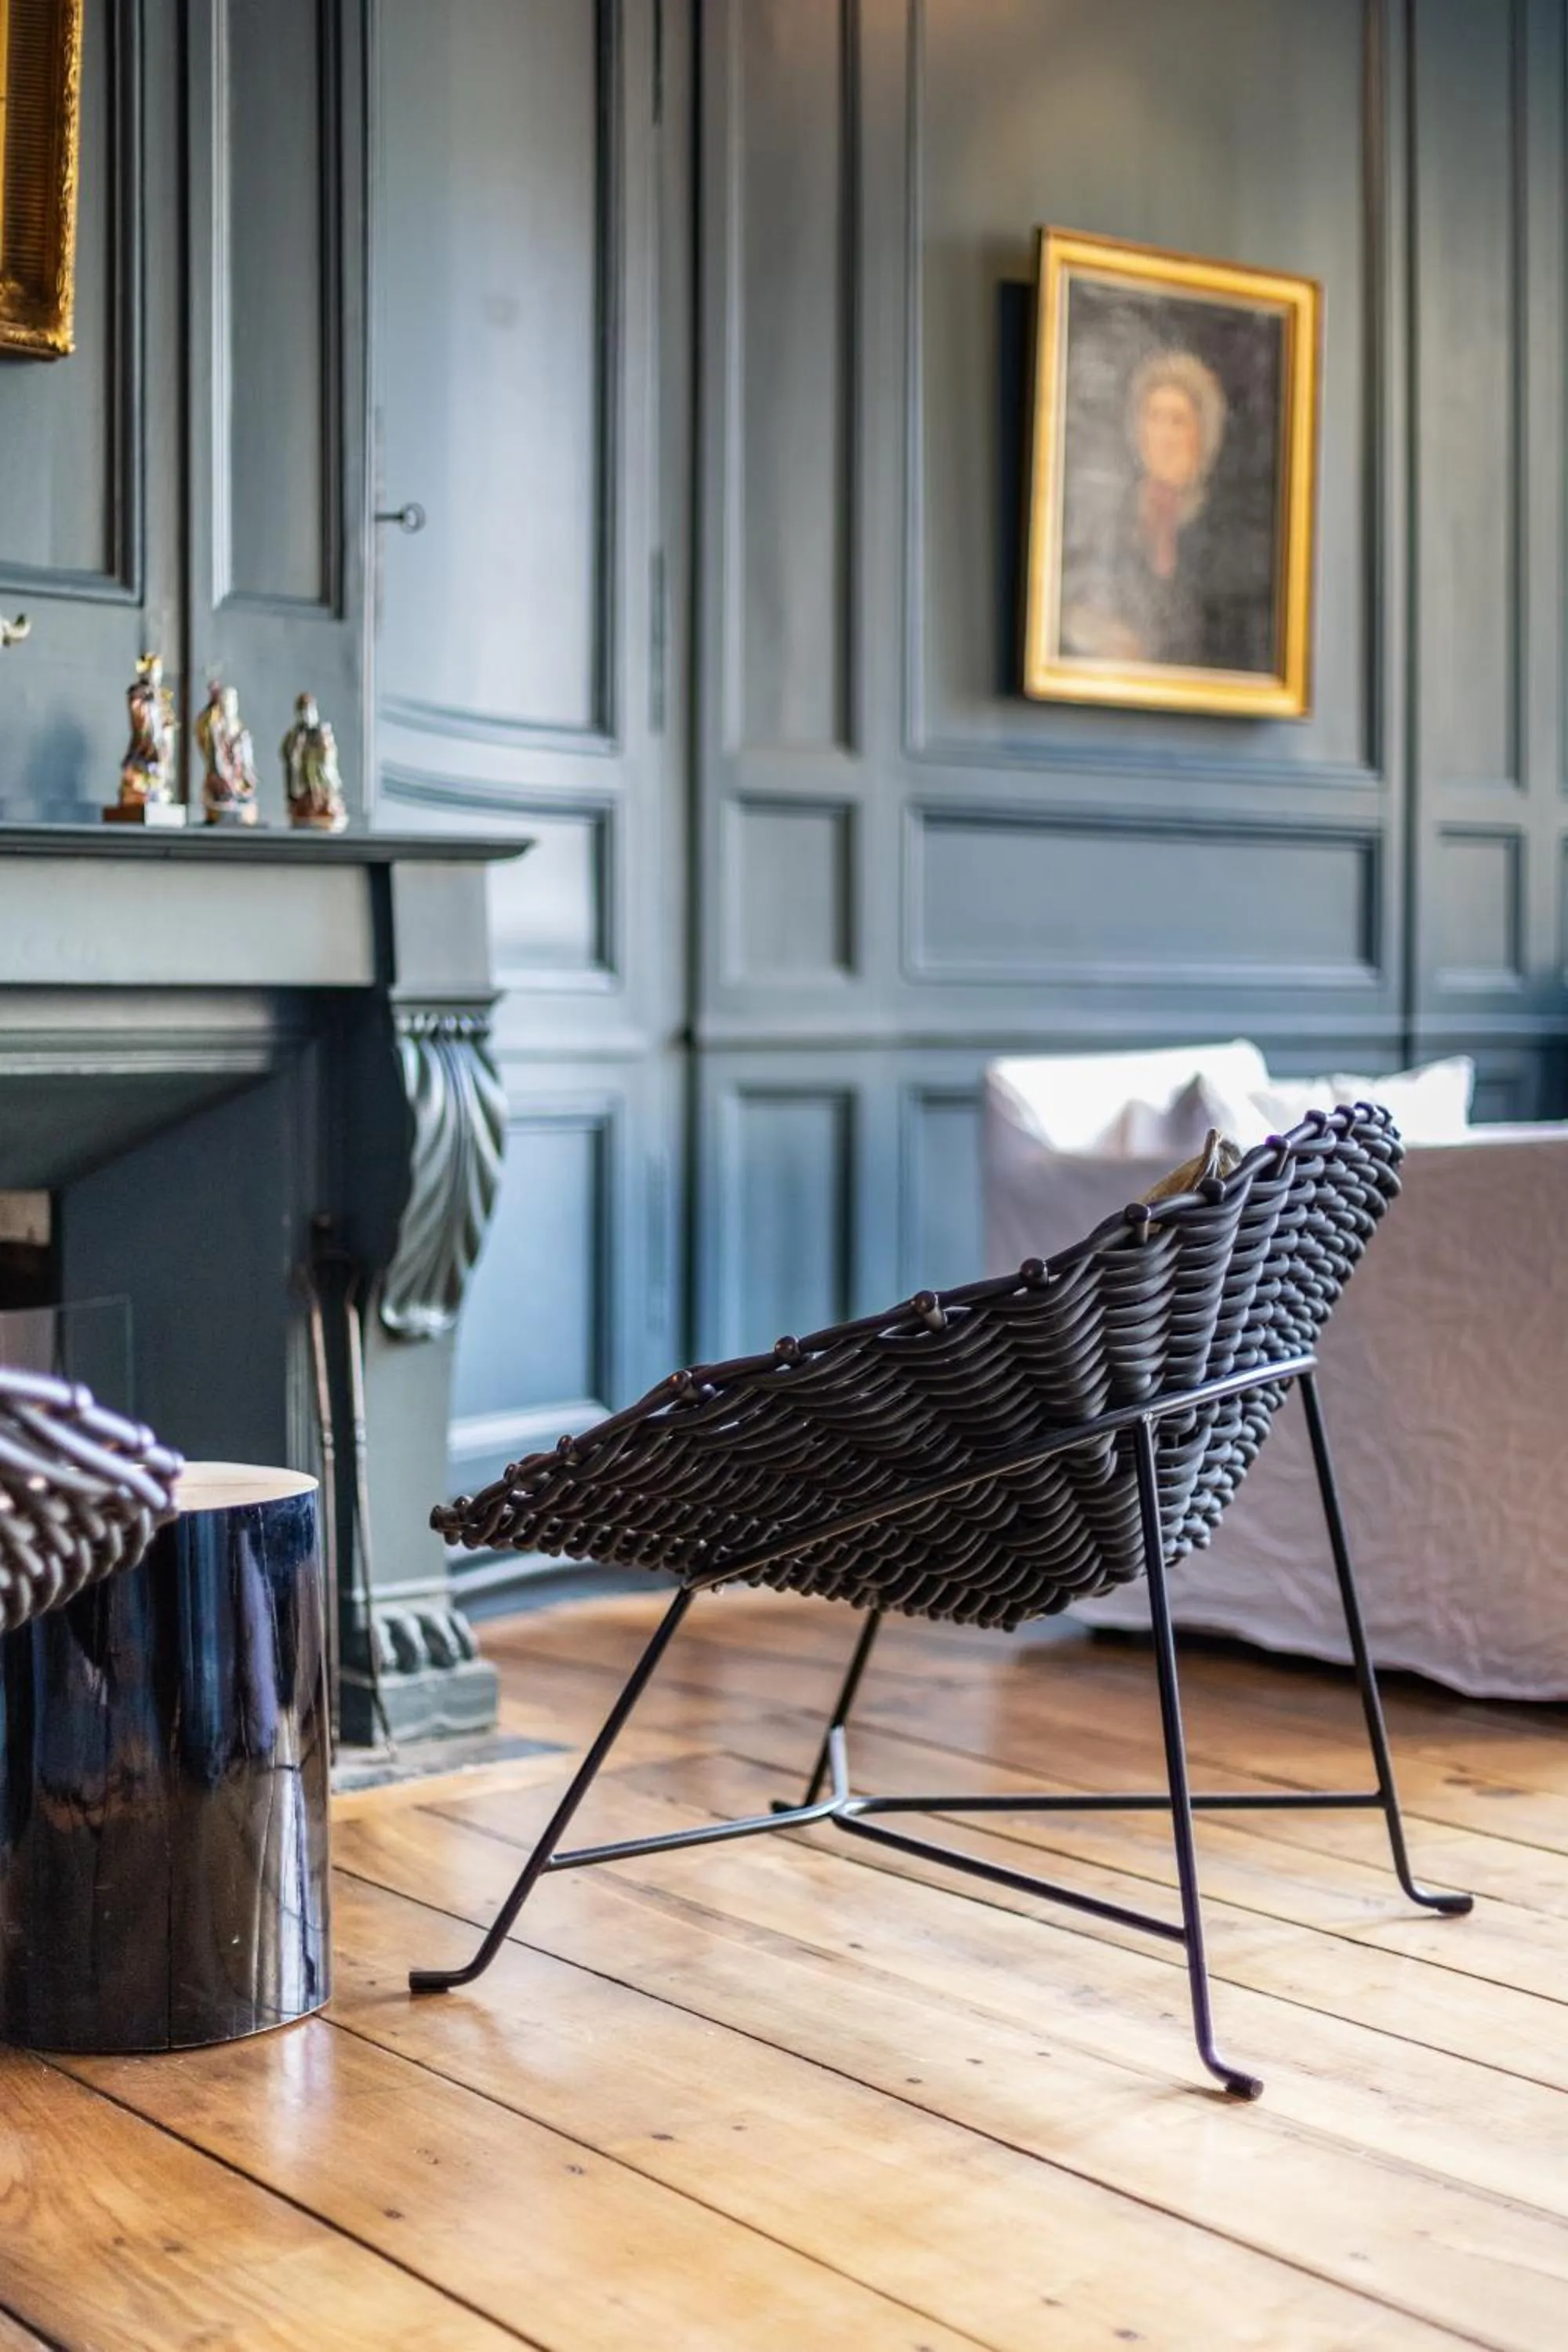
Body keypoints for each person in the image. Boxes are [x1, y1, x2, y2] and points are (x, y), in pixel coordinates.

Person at [1061, 346, 1271, 675]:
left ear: (1203, 436)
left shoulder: (1230, 532)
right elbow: (1070, 604)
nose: (1164, 437)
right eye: (1154, 417)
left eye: (1178, 422)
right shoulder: (1109, 518)